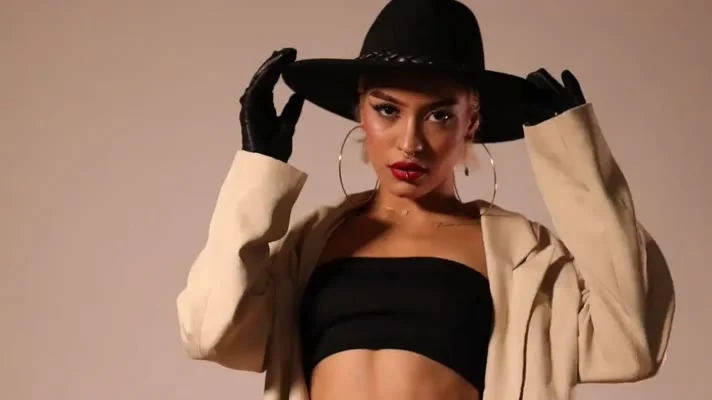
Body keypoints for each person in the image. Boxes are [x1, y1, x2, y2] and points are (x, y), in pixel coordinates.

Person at [175, 1, 675, 399]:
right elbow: (209, 332)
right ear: (360, 112)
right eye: (387, 110)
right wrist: (258, 168)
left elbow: (632, 344)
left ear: (471, 123)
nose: (410, 142)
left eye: (439, 115)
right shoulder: (311, 244)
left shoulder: (523, 255)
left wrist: (577, 162)